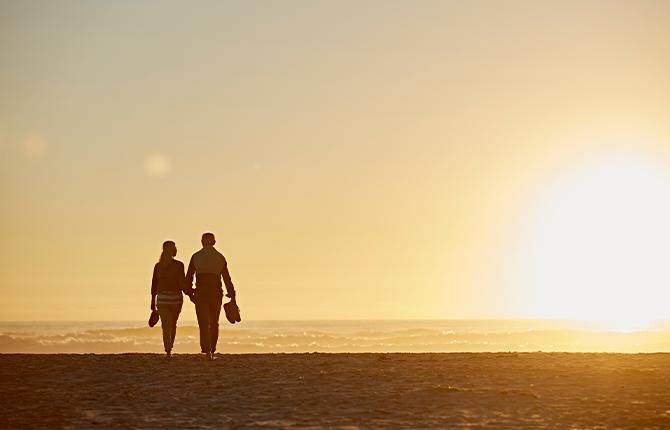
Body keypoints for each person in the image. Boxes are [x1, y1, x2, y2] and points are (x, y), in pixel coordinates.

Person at [186, 232, 236, 360]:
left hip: (201, 293)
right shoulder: (220, 257)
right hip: (215, 293)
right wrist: (232, 294)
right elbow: (226, 278)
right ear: (214, 242)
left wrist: (190, 292)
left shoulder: (196, 257)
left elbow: (189, 277)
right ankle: (212, 350)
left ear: (202, 242)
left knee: (203, 323)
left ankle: (206, 350)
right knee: (214, 323)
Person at [150, 240, 193, 358]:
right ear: (173, 250)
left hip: (162, 299)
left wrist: (152, 302)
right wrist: (191, 293)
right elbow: (182, 284)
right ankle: (170, 347)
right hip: (175, 299)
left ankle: (167, 349)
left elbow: (154, 285)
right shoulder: (179, 265)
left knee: (165, 325)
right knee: (173, 324)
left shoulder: (158, 266)